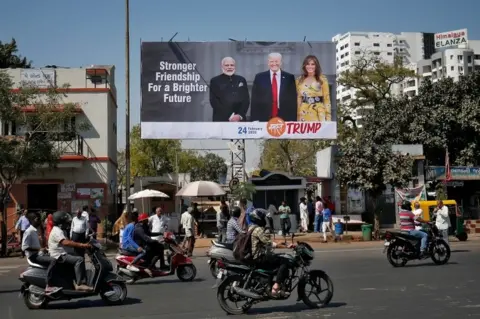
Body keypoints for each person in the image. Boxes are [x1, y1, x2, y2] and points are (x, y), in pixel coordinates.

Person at [248, 209, 292, 297]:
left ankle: (270, 283)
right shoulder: (258, 230)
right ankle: (276, 286)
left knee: (274, 259)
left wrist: (280, 243)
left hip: (254, 256)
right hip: (259, 257)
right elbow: (269, 243)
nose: (264, 220)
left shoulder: (250, 227)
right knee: (284, 261)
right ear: (258, 219)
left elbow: (267, 241)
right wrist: (285, 246)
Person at [48, 211, 93, 291]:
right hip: (59, 255)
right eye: (65, 222)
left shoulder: (59, 230)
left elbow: (68, 242)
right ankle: (80, 284)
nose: (67, 224)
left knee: (77, 255)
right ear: (61, 223)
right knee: (79, 259)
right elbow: (66, 242)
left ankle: (74, 279)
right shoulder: (57, 231)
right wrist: (82, 245)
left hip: (61, 253)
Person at [250, 52, 298, 122]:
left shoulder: (289, 77)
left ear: (281, 62)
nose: (274, 64)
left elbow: (293, 100)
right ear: (268, 63)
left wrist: (292, 119)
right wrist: (255, 119)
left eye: (276, 61)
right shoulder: (259, 77)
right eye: (271, 61)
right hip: (264, 117)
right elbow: (255, 99)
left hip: (285, 117)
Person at [22, 211, 61, 294]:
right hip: (33, 256)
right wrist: (38, 249)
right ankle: (48, 285)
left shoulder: (35, 230)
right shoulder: (29, 231)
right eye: (37, 219)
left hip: (38, 253)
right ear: (32, 220)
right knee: (53, 260)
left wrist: (44, 249)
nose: (39, 221)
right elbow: (24, 247)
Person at [209, 57, 250, 122]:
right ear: (222, 66)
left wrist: (239, 115)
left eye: (232, 65)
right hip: (221, 120)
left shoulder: (241, 79)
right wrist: (230, 116)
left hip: (239, 120)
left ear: (235, 66)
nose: (229, 67)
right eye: (227, 65)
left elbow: (246, 100)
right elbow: (214, 102)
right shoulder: (215, 81)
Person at [295, 55, 331, 122]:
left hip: (319, 113)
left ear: (316, 66)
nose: (310, 66)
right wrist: (297, 116)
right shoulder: (299, 80)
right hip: (303, 113)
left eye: (312, 64)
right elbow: (299, 98)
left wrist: (328, 117)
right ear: (304, 66)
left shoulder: (322, 79)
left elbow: (326, 99)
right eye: (308, 64)